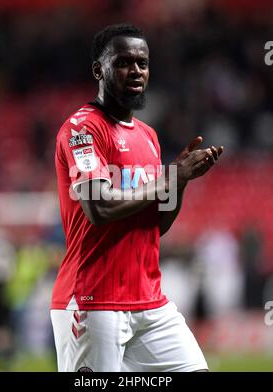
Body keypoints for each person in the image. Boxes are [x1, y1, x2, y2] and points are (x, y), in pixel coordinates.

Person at [50, 23, 223, 372]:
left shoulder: (149, 136)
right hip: (93, 300)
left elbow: (155, 227)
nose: (137, 71)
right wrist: (171, 177)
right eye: (125, 62)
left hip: (149, 301)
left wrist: (180, 181)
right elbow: (99, 207)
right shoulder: (83, 129)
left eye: (143, 63)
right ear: (100, 69)